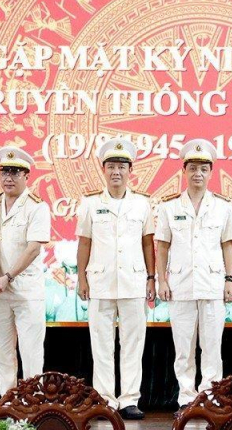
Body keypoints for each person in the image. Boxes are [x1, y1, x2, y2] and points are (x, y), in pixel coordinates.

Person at [155, 138, 232, 413]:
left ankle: (210, 397)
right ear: (184, 171)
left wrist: (230, 279)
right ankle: (187, 398)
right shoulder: (169, 207)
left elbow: (228, 244)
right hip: (180, 285)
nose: (198, 174)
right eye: (192, 168)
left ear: (211, 172)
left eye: (203, 169)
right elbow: (162, 245)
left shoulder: (224, 207)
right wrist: (162, 280)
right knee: (183, 348)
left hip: (213, 284)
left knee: (212, 346)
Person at [76, 138, 155, 419]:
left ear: (130, 170)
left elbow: (148, 243)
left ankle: (130, 399)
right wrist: (81, 278)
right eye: (111, 166)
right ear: (103, 169)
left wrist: (151, 278)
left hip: (133, 282)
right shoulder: (89, 203)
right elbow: (84, 243)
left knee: (134, 343)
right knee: (102, 344)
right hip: (100, 281)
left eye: (122, 166)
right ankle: (105, 399)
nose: (116, 172)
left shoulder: (142, 204)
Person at [0, 146, 51, 396]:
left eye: (15, 172)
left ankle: (33, 403)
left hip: (26, 292)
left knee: (31, 352)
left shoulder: (37, 207)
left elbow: (33, 248)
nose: (8, 178)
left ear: (27, 176)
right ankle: (7, 402)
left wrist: (8, 276)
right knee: (1, 351)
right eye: (4, 172)